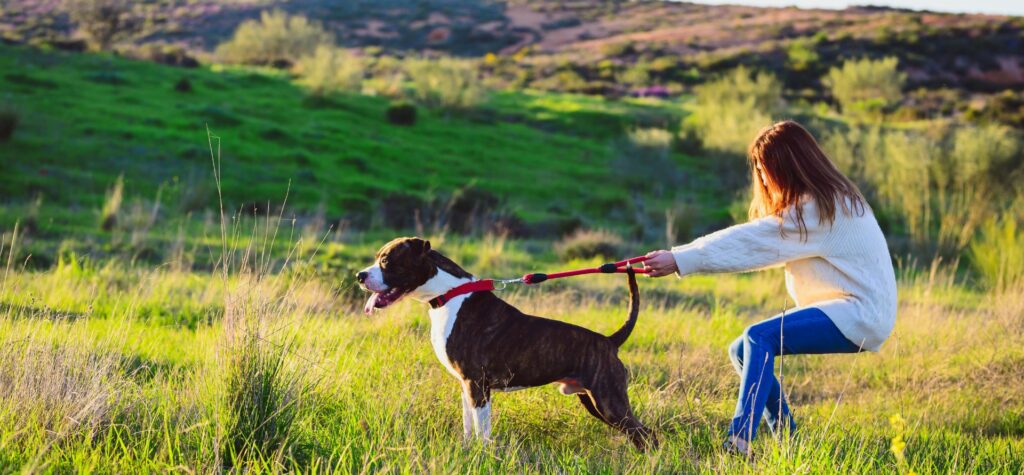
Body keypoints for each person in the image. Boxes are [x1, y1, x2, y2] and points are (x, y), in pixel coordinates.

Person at [643, 120, 897, 457]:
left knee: (757, 336)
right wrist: (680, 258)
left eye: (765, 169)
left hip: (861, 312)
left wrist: (679, 258)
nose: (762, 178)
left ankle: (739, 439)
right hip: (851, 308)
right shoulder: (824, 201)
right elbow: (758, 240)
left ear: (788, 166)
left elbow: (750, 240)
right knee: (741, 350)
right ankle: (790, 441)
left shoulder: (820, 209)